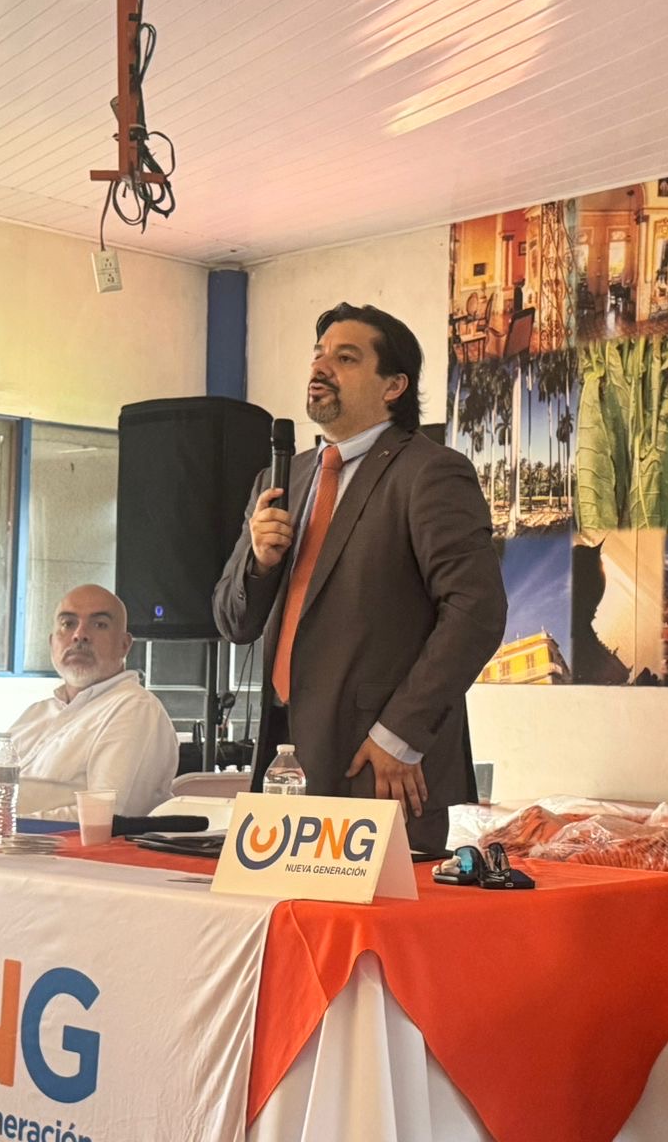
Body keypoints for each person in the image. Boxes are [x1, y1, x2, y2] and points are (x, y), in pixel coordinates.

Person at [214, 302, 507, 854]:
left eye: (346, 358)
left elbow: (476, 612)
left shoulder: (429, 473)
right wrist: (261, 562)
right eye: (319, 354)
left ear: (393, 385)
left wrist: (399, 735)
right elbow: (233, 622)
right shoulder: (282, 478)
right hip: (282, 759)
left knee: (378, 917)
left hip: (379, 764)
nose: (321, 367)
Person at [5, 584, 177, 819]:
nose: (80, 635)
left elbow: (106, 816)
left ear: (124, 645)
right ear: (52, 643)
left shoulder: (133, 708)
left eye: (99, 625)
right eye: (68, 624)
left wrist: (2, 824)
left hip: (61, 844)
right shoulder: (36, 713)